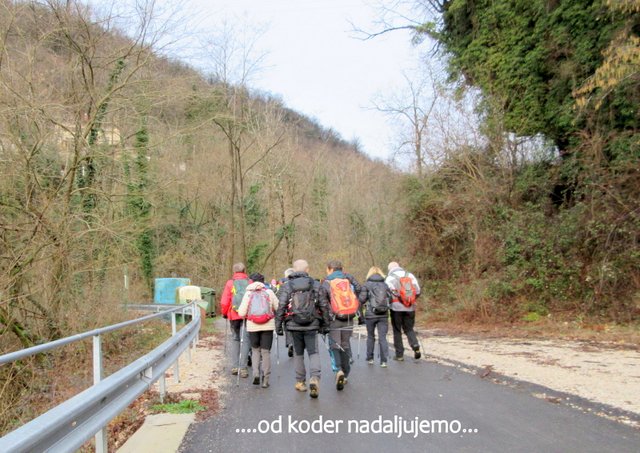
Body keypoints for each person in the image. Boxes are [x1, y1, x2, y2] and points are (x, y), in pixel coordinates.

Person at [275, 259, 330, 398]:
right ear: (307, 269)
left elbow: (281, 306)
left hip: (293, 324)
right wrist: (325, 325)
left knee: (298, 353)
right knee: (313, 352)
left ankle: (300, 382)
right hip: (312, 324)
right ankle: (315, 378)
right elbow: (324, 306)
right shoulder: (316, 284)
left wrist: (278, 326)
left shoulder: (287, 286)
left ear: (294, 270)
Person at [318, 260, 362, 391]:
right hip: (349, 316)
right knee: (345, 343)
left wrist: (325, 320)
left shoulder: (326, 282)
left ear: (330, 269)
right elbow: (359, 289)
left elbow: (322, 302)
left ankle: (338, 370)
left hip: (334, 318)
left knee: (335, 345)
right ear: (342, 269)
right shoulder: (349, 279)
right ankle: (346, 373)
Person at [237, 272, 279, 388]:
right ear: (263, 281)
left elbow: (241, 313)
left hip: (252, 326)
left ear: (251, 281)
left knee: (255, 350)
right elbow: (278, 307)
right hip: (268, 326)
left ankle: (255, 374)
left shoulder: (248, 293)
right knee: (265, 352)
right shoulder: (269, 292)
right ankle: (265, 379)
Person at [385, 261, 421, 361]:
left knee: (397, 330)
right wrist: (410, 301)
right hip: (410, 307)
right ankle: (415, 345)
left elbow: (387, 293)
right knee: (409, 329)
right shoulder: (410, 275)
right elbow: (418, 291)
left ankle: (399, 355)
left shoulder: (390, 278)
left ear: (389, 269)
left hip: (396, 308)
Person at [220, 263, 251, 377]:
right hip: (247, 315)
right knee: (246, 340)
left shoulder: (230, 283)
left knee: (235, 339)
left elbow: (224, 301)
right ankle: (243, 368)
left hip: (234, 315)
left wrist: (224, 313)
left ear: (234, 271)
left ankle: (235, 366)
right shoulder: (250, 282)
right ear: (244, 270)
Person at [359, 266, 391, 367]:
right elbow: (390, 298)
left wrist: (361, 315)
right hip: (383, 314)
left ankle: (370, 358)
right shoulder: (385, 285)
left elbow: (361, 300)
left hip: (370, 314)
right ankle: (384, 361)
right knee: (382, 337)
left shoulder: (366, 284)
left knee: (370, 336)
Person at [276, 268, 296, 358]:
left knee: (288, 327)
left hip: (288, 312)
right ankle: (296, 344)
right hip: (299, 311)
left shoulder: (284, 286)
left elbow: (279, 299)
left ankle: (290, 343)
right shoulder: (299, 284)